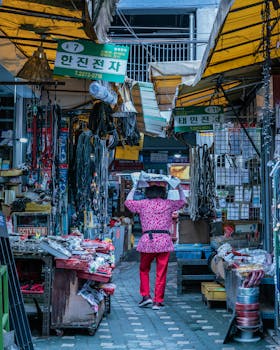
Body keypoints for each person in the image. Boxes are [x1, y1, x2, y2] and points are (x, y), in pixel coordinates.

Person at [124, 182, 186, 310]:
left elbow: (128, 202)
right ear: (162, 193)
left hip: (148, 241)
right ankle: (158, 301)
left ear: (147, 193)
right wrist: (178, 186)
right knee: (161, 272)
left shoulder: (142, 204)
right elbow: (183, 201)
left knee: (144, 269)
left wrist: (134, 186)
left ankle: (146, 296)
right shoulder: (168, 204)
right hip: (164, 241)